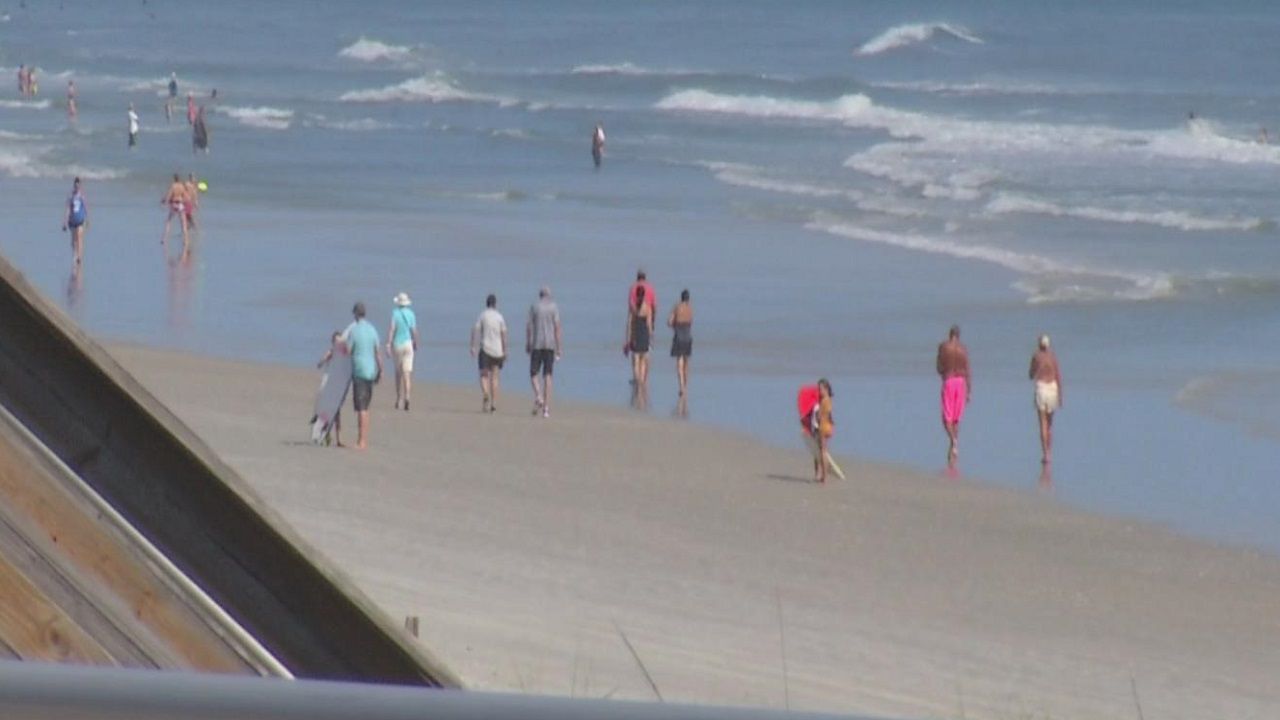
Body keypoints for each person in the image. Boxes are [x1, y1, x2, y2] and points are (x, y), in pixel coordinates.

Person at [341, 301, 382, 450]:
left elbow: (349, 351)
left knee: (361, 408)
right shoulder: (372, 330)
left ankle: (362, 442)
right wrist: (381, 371)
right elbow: (378, 352)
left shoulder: (355, 330)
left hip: (359, 372)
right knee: (366, 407)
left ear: (355, 314)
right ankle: (363, 439)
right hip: (371, 371)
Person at [936, 324, 971, 466]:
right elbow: (968, 370)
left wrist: (944, 372)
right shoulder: (964, 349)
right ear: (959, 335)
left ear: (950, 334)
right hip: (961, 382)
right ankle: (954, 448)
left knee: (946, 418)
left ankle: (953, 441)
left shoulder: (944, 347)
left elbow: (939, 367)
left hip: (949, 381)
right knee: (956, 418)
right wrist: (969, 390)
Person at [526, 286, 562, 418]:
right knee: (548, 375)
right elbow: (557, 328)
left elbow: (529, 326)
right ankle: (546, 407)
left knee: (533, 373)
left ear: (540, 295)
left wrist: (528, 343)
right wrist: (559, 347)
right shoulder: (554, 307)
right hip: (550, 345)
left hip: (537, 344)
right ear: (549, 295)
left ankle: (539, 395)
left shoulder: (534, 307)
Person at [1028, 333, 1063, 465]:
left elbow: (1031, 374)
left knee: (1042, 423)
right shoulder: (1053, 357)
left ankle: (1045, 454)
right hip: (1053, 388)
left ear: (1039, 344)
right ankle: (1050, 452)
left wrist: (1034, 371)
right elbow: (1058, 376)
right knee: (1050, 424)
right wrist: (1060, 395)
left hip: (1042, 387)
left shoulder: (1036, 356)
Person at [470, 293, 508, 413]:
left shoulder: (483, 315)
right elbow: (504, 335)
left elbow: (475, 330)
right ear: (495, 304)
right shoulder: (500, 317)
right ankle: (494, 404)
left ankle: (486, 393)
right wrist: (505, 350)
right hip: (497, 350)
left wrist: (473, 346)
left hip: (485, 349)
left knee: (483, 375)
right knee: (495, 377)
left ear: (487, 304)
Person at [797, 379, 835, 483]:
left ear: (826, 389)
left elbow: (822, 415)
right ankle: (818, 474)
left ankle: (823, 477)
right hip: (825, 427)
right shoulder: (827, 400)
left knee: (821, 451)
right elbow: (830, 416)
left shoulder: (825, 401)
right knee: (817, 450)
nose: (819, 391)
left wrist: (814, 417)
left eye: (821, 389)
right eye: (818, 389)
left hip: (822, 427)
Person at [386, 292, 418, 411]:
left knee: (398, 373)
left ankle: (399, 398)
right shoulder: (411, 314)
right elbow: (414, 330)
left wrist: (388, 344)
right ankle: (407, 397)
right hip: (408, 343)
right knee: (407, 373)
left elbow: (392, 329)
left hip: (397, 344)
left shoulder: (395, 313)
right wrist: (416, 342)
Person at [315, 331, 345, 447]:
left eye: (340, 341)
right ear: (333, 342)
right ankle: (324, 435)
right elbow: (320, 364)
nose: (338, 343)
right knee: (326, 412)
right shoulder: (331, 352)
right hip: (327, 385)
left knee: (337, 413)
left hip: (338, 386)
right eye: (336, 341)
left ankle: (338, 439)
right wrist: (325, 359)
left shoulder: (344, 355)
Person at [626, 285, 654, 389]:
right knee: (643, 360)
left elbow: (630, 324)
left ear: (636, 294)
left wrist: (628, 338)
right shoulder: (647, 308)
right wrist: (651, 338)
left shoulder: (633, 307)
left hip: (636, 334)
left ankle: (637, 380)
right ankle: (641, 381)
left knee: (636, 359)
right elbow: (649, 325)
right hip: (644, 335)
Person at [668, 288, 693, 397]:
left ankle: (681, 386)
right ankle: (685, 387)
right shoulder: (690, 309)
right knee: (686, 362)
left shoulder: (677, 307)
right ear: (688, 298)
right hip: (688, 336)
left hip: (678, 335)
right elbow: (691, 323)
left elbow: (669, 322)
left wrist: (675, 327)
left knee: (679, 362)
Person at [62, 177, 88, 265]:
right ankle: (75, 254)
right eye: (75, 185)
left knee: (79, 238)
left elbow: (86, 208)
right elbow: (68, 209)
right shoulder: (71, 197)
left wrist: (87, 220)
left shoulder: (82, 196)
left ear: (80, 186)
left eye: (78, 185)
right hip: (72, 220)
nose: (77, 187)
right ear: (74, 185)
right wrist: (65, 221)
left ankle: (79, 257)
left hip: (80, 220)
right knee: (73, 240)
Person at [161, 173, 190, 246]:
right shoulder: (182, 186)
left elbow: (169, 195)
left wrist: (164, 201)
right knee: (183, 223)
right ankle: (185, 241)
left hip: (173, 204)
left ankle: (164, 239)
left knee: (169, 221)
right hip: (180, 204)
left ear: (174, 178)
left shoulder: (173, 186)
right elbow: (186, 197)